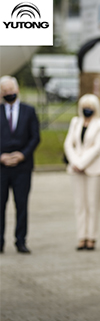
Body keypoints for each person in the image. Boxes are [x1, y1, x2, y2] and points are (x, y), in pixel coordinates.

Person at [0, 75, 40, 254]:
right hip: (1, 166)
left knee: (21, 205)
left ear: (17, 90)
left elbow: (35, 137)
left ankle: (21, 241)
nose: (9, 93)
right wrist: (1, 156)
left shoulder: (29, 111)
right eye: (5, 91)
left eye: (11, 90)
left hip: (22, 167)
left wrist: (22, 155)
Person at [64, 94, 100, 251]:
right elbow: (69, 143)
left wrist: (82, 163)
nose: (87, 109)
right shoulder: (75, 122)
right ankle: (81, 236)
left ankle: (92, 237)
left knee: (92, 204)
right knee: (79, 205)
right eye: (84, 106)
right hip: (76, 169)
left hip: (94, 170)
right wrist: (75, 162)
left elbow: (98, 147)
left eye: (90, 106)